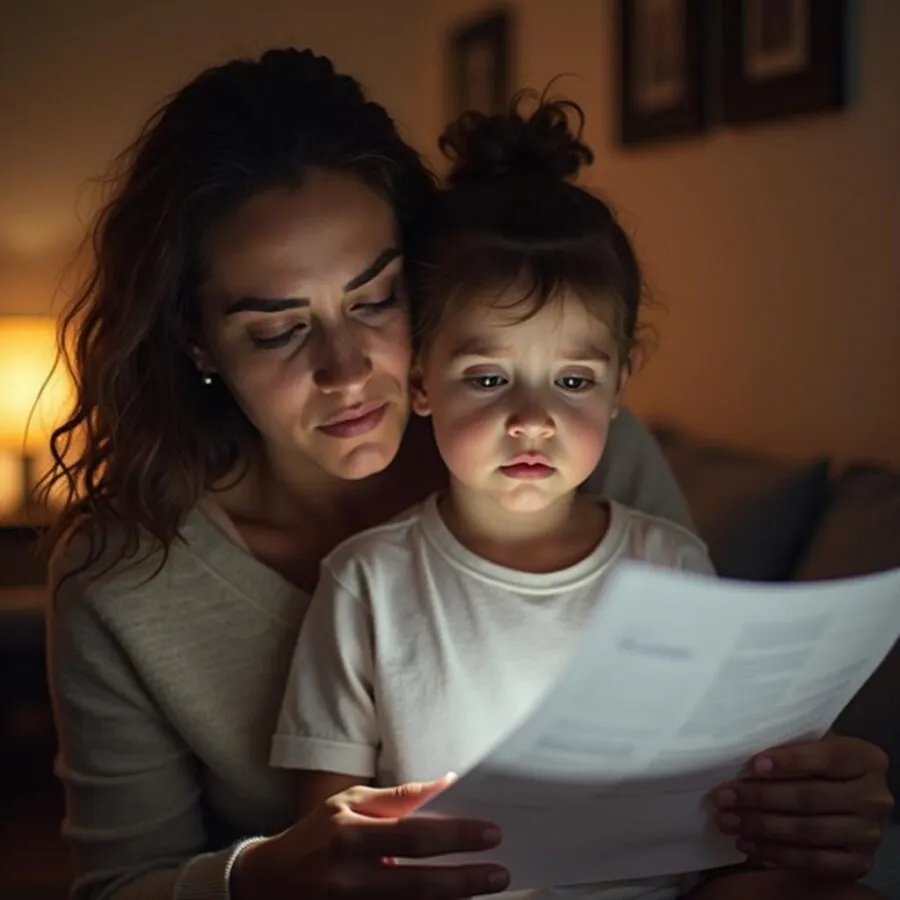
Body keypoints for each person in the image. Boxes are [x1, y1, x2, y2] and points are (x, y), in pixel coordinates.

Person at [43, 48, 891, 900]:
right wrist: (265, 875)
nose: (346, 370)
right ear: (196, 340)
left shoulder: (578, 456)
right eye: (277, 330)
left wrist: (807, 806)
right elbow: (116, 884)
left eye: (375, 300)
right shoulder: (125, 579)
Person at [267, 96, 889, 900]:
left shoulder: (667, 560)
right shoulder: (368, 583)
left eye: (573, 381)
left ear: (620, 386)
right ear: (421, 382)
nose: (532, 420)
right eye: (487, 379)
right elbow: (327, 843)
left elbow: (726, 811)